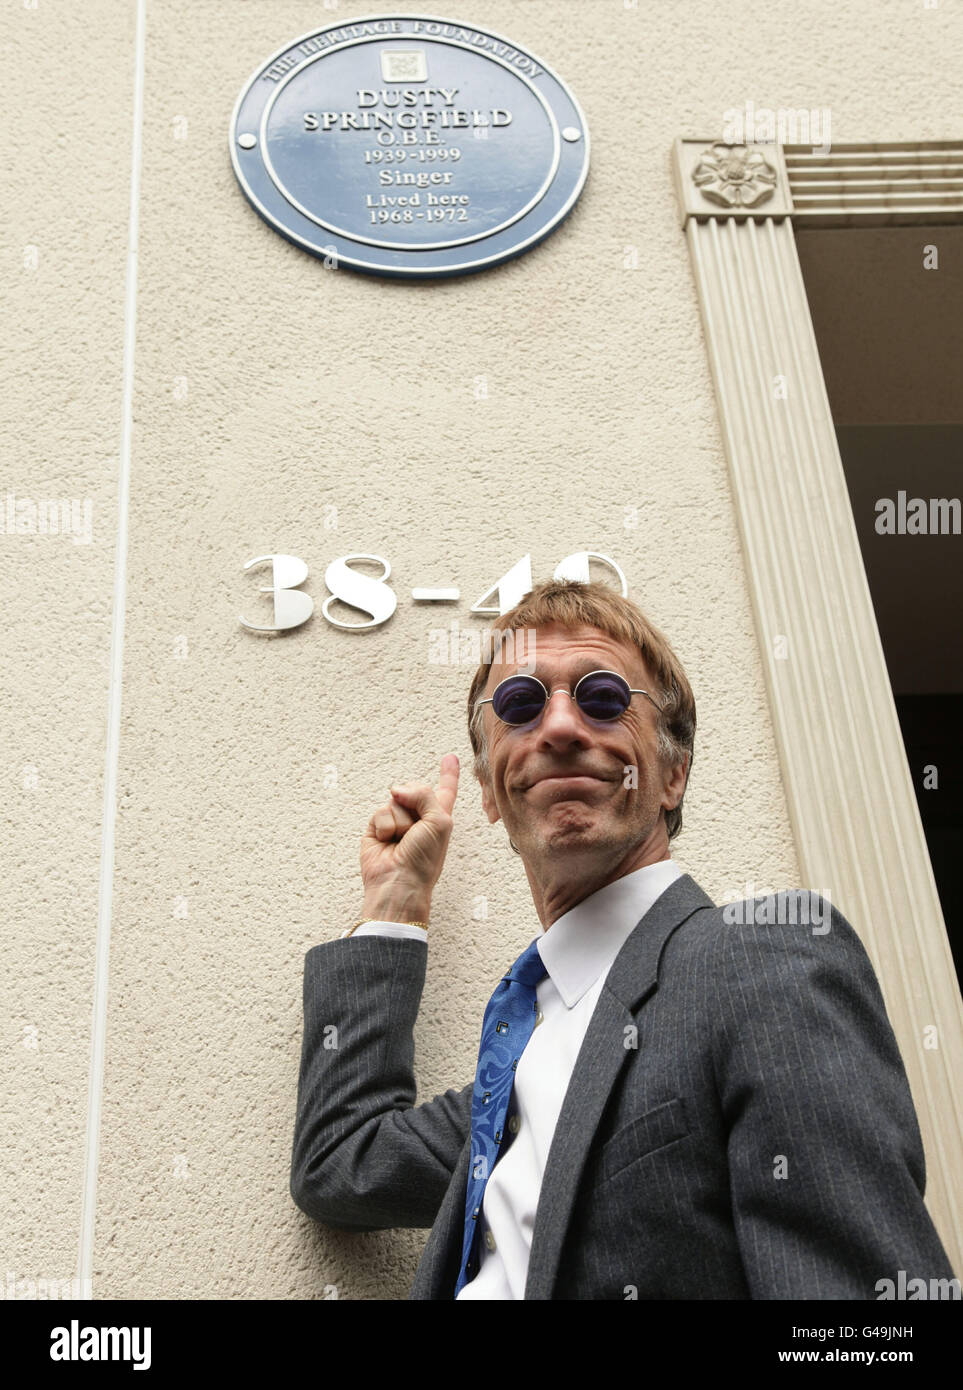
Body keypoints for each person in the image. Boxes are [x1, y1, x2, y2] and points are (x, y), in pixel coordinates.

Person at [290, 578, 956, 1299]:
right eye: (519, 705)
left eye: (603, 697)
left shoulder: (761, 961)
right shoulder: (516, 1060)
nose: (559, 727)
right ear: (488, 792)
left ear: (672, 772)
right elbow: (341, 1165)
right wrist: (395, 904)